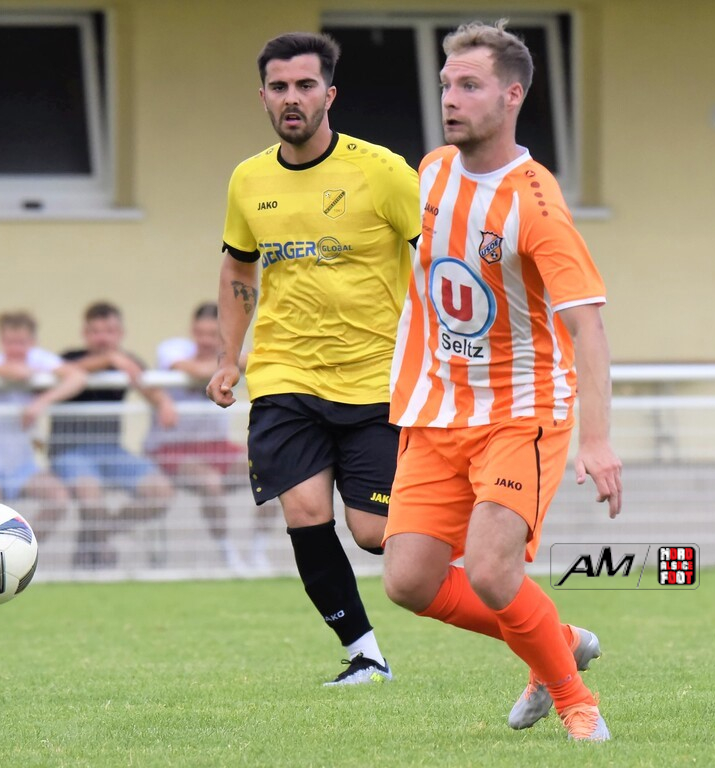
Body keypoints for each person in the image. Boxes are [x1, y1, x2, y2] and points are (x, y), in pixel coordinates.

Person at [381, 20, 623, 741]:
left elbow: (588, 327)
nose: (450, 99)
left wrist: (597, 441)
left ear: (512, 95)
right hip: (436, 411)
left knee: (490, 571)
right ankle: (558, 638)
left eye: (469, 85)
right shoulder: (430, 172)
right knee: (408, 582)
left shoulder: (534, 204)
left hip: (521, 412)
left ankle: (575, 701)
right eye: (445, 85)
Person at [206, 32, 420, 685]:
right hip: (284, 374)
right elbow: (237, 267)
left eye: (304, 86)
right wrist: (228, 357)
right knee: (303, 513)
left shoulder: (381, 170)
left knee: (374, 533)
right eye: (279, 87)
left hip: (375, 378)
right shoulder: (248, 179)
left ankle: (481, 555)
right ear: (263, 97)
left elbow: (440, 257)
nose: (291, 98)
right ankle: (365, 655)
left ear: (329, 94)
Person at [145, 302, 275, 575]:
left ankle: (257, 553)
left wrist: (229, 361)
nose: (204, 340)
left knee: (272, 472)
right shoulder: (173, 348)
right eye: (199, 333)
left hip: (217, 446)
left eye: (211, 334)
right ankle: (229, 556)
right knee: (210, 483)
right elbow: (191, 370)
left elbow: (259, 361)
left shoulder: (230, 353)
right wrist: (228, 364)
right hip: (171, 447)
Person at [49, 301, 177, 569]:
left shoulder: (127, 362)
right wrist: (108, 360)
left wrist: (164, 403)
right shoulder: (69, 358)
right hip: (70, 452)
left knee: (161, 492)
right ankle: (94, 557)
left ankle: (97, 538)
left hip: (112, 451)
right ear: (85, 334)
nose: (102, 338)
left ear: (120, 334)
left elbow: (149, 388)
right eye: (96, 331)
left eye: (109, 331)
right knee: (91, 496)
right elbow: (65, 372)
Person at [0, 310, 86, 541]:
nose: (15, 348)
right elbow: (16, 372)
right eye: (10, 342)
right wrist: (36, 373)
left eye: (21, 342)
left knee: (59, 500)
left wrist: (41, 401)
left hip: (21, 466)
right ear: (1, 341)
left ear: (32, 341)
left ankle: (21, 549)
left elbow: (78, 377)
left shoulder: (39, 359)